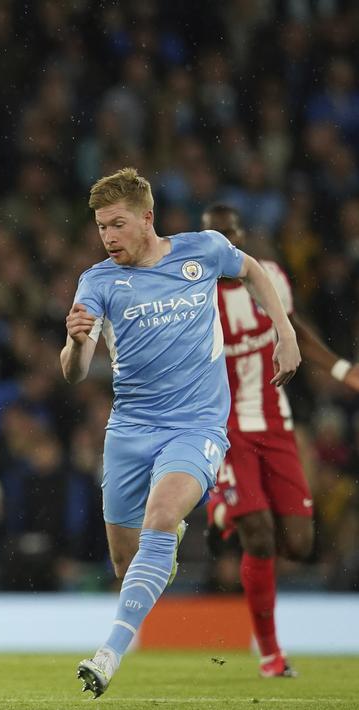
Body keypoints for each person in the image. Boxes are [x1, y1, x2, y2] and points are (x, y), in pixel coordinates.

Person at [60, 168, 300, 698]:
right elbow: (74, 373)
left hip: (196, 425)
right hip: (129, 429)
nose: (108, 237)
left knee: (162, 516)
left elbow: (254, 271)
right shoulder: (98, 281)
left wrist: (284, 333)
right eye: (101, 227)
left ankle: (107, 656)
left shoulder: (204, 252)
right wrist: (77, 344)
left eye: (117, 225)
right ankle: (160, 549)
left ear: (147, 218)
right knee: (127, 564)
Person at [203, 203, 359, 678]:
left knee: (299, 543)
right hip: (226, 430)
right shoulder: (193, 294)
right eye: (215, 239)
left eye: (230, 237)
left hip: (274, 424)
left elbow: (294, 330)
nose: (224, 248)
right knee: (261, 537)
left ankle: (224, 509)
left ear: (241, 236)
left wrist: (342, 369)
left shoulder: (267, 276)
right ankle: (271, 655)